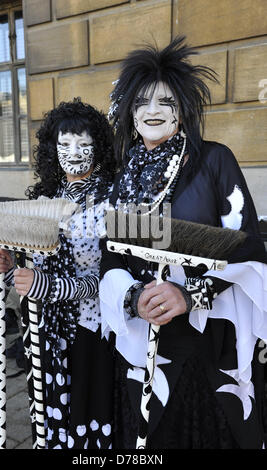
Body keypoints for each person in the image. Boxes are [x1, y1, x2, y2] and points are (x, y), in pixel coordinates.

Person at [99, 36, 267, 449]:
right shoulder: (125, 177)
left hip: (206, 345)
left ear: (184, 109)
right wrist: (133, 296)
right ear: (129, 112)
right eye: (141, 102)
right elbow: (112, 256)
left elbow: (246, 250)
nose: (152, 111)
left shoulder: (214, 160)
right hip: (146, 344)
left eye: (165, 101)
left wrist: (188, 295)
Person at [0, 98, 116, 449]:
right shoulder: (45, 198)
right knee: (46, 414)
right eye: (64, 145)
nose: (73, 153)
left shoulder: (113, 201)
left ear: (98, 147)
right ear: (51, 149)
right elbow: (33, 269)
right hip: (44, 330)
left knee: (88, 417)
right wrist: (9, 268)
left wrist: (49, 286)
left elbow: (114, 278)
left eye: (83, 144)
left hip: (91, 332)